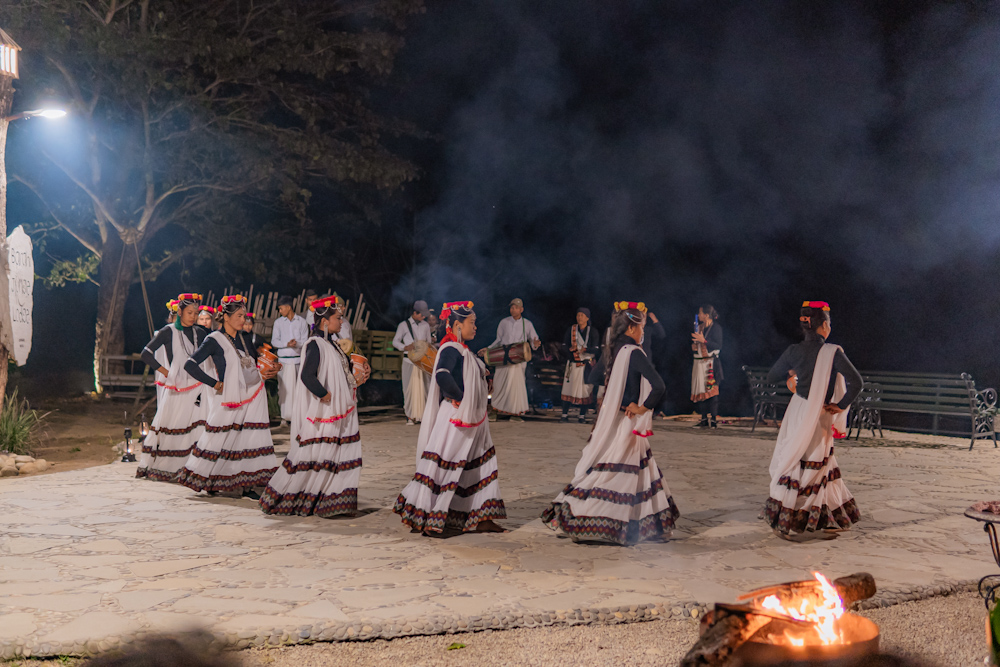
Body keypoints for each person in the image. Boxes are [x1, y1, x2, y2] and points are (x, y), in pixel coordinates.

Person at [542, 302, 679, 545]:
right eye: (642, 327)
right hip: (627, 422)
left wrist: (617, 393)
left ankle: (644, 525)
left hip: (613, 418)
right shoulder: (634, 352)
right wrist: (642, 407)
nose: (643, 332)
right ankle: (600, 522)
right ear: (632, 327)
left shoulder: (614, 351)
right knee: (617, 475)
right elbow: (659, 386)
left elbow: (592, 377)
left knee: (639, 472)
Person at [394, 301, 506, 535]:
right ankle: (433, 518)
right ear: (457, 324)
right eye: (471, 323)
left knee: (481, 468)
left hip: (473, 420)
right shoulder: (449, 349)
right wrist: (460, 397)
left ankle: (483, 517)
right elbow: (443, 376)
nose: (475, 327)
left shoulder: (464, 350)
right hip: (456, 419)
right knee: (448, 468)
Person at [762, 301, 863, 540]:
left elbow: (771, 376)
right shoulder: (832, 353)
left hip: (797, 412)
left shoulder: (793, 351)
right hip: (818, 415)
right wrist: (839, 406)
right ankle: (791, 521)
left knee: (799, 463)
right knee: (815, 467)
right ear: (824, 326)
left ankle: (824, 519)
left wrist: (792, 374)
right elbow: (856, 383)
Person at [261, 295, 362, 517]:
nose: (341, 322)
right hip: (324, 414)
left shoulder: (330, 344)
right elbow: (307, 376)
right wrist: (325, 395)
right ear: (325, 322)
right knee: (318, 457)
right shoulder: (315, 344)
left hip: (335, 413)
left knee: (332, 456)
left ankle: (332, 500)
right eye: (338, 318)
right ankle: (306, 499)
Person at [176, 295, 279, 498]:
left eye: (244, 315)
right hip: (227, 399)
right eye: (239, 316)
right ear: (226, 317)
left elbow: (252, 364)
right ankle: (209, 479)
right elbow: (190, 365)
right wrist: (214, 383)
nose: (243, 319)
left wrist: (267, 370)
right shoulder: (214, 340)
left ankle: (248, 483)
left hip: (250, 395)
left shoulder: (244, 338)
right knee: (220, 439)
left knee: (245, 439)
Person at [137, 293, 210, 482]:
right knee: (174, 424)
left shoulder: (200, 333)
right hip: (177, 387)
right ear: (180, 312)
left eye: (196, 313)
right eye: (190, 313)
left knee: (196, 426)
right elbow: (146, 354)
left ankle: (192, 467)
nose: (193, 317)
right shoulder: (168, 331)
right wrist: (166, 372)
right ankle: (169, 467)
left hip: (198, 386)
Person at [481, 298, 540, 422]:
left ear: (521, 309)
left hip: (519, 360)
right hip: (503, 357)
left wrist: (536, 344)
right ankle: (495, 411)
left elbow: (534, 341)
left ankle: (515, 414)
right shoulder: (504, 322)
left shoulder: (527, 323)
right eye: (511, 307)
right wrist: (488, 349)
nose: (513, 309)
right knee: (499, 383)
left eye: (515, 307)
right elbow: (498, 340)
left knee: (516, 386)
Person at [392, 300, 433, 425]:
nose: (424, 316)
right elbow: (395, 341)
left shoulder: (425, 325)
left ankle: (423, 416)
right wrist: (405, 347)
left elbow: (428, 342)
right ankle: (410, 416)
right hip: (408, 360)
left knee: (425, 388)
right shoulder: (403, 325)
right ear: (415, 312)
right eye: (422, 314)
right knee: (409, 389)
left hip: (423, 361)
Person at [271, 295, 309, 424]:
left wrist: (296, 343)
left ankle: (297, 417)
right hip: (284, 361)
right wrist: (287, 344)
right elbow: (274, 341)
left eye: (281, 308)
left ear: (288, 307)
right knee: (283, 390)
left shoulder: (302, 322)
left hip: (297, 360)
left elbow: (305, 341)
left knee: (298, 390)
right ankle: (284, 417)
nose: (280, 311)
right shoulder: (278, 322)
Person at [560, 308, 600, 423]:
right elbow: (563, 346)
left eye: (582, 315)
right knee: (568, 389)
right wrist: (570, 350)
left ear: (587, 318)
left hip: (585, 365)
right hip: (573, 364)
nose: (579, 317)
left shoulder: (593, 331)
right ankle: (564, 415)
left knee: (584, 391)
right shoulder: (571, 330)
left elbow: (597, 349)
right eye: (578, 315)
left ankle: (582, 416)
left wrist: (585, 349)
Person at [691, 305, 723, 427]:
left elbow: (718, 345)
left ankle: (713, 420)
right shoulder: (700, 328)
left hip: (711, 363)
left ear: (706, 315)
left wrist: (703, 341)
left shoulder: (716, 328)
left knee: (712, 391)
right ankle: (704, 419)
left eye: (700, 313)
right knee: (700, 391)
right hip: (699, 362)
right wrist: (695, 346)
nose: (699, 316)